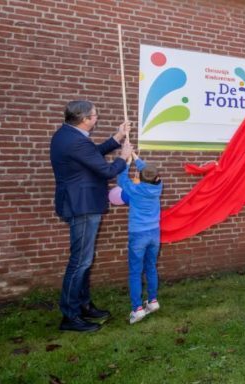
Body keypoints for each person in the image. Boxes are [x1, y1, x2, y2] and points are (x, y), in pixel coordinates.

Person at [51, 100, 133, 332]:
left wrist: (117, 137)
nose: (97, 119)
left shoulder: (67, 135)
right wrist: (123, 157)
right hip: (83, 206)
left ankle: (83, 305)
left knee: (84, 260)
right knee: (80, 261)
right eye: (95, 116)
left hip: (80, 203)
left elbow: (92, 154)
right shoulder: (75, 140)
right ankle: (70, 315)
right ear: (84, 119)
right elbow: (105, 170)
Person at [118, 153, 163, 324]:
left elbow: (121, 179)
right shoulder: (159, 186)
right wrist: (136, 157)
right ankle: (152, 301)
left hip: (138, 235)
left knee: (135, 272)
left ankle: (137, 309)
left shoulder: (134, 189)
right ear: (157, 177)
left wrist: (127, 162)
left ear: (141, 178)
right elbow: (148, 172)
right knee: (151, 267)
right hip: (154, 233)